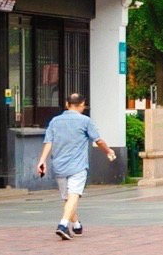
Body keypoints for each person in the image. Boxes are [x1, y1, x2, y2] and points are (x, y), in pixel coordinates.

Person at [35, 91, 115, 239]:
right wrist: (108, 151)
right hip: (78, 166)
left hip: (59, 165)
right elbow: (98, 141)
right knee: (73, 196)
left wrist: (42, 160)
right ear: (82, 105)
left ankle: (76, 224)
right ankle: (63, 225)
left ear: (67, 104)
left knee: (68, 198)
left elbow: (48, 142)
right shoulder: (85, 121)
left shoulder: (55, 121)